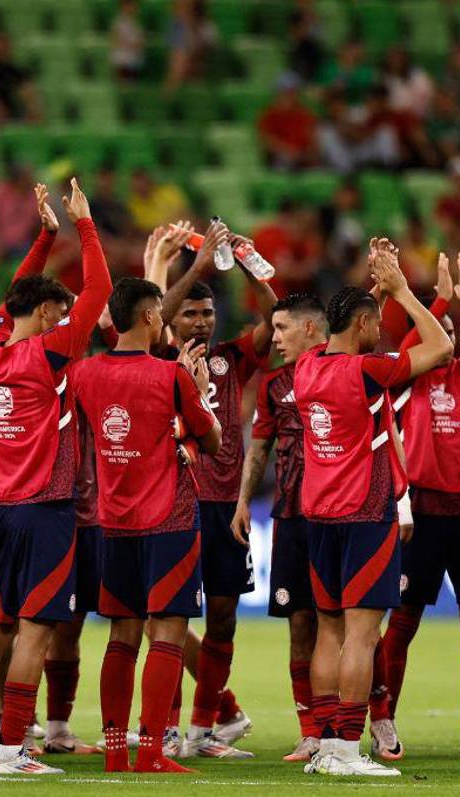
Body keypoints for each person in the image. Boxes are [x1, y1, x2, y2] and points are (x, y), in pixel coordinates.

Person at [0, 179, 111, 775]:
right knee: (35, 630)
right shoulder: (49, 354)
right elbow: (101, 291)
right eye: (57, 311)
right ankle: (13, 749)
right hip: (46, 509)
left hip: (1, 509)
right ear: (44, 314)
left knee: (1, 623)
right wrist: (84, 227)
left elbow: (15, 294)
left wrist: (44, 236)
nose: (65, 318)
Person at [296, 239, 452, 777]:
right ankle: (344, 750)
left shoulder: (307, 366)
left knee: (329, 631)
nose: (381, 328)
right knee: (363, 635)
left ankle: (322, 741)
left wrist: (375, 287)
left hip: (319, 514)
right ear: (363, 326)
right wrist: (404, 291)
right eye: (375, 321)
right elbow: (439, 347)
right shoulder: (369, 371)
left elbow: (348, 326)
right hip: (365, 513)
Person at [73, 276, 221, 774]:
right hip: (170, 521)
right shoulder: (170, 375)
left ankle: (116, 749)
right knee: (168, 636)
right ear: (150, 317)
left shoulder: (86, 375)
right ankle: (153, 751)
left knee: (121, 636)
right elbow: (214, 439)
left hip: (114, 521)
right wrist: (197, 392)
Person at [378, 253, 460, 760]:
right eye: (440, 330)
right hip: (425, 515)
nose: (445, 338)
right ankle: (385, 721)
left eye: (450, 330)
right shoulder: (411, 374)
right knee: (403, 624)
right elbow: (415, 342)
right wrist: (435, 300)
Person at [160, 221, 277, 759]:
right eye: (192, 314)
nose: (201, 321)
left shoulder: (231, 356)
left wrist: (249, 263)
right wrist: (199, 267)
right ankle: (167, 726)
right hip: (175, 504)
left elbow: (276, 322)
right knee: (166, 618)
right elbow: (156, 314)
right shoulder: (160, 358)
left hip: (226, 508)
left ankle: (205, 729)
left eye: (207, 313)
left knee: (225, 615)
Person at [230, 293, 328, 763]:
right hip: (290, 514)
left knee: (351, 624)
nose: (275, 338)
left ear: (310, 328)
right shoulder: (273, 384)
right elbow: (261, 446)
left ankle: (360, 723)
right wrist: (245, 501)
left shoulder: (349, 369)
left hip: (343, 515)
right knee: (300, 623)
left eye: (282, 328)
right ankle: (312, 730)